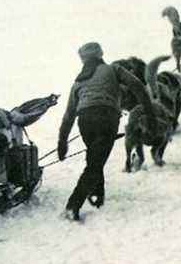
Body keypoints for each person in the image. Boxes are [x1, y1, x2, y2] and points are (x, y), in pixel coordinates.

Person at [57, 42, 156, 221]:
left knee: (94, 157)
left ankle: (97, 196)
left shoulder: (79, 81)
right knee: (95, 163)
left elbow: (68, 115)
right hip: (106, 117)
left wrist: (62, 142)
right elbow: (138, 87)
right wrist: (151, 115)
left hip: (85, 121)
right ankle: (73, 205)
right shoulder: (114, 69)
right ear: (101, 54)